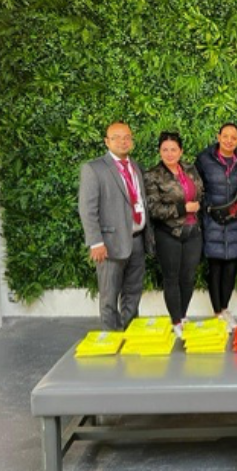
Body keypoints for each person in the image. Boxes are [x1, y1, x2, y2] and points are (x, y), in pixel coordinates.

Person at [78, 121, 152, 330]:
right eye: (116, 137)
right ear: (106, 141)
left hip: (137, 240)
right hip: (109, 244)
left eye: (127, 137)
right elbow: (87, 209)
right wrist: (95, 242)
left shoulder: (136, 166)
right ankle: (111, 337)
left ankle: (129, 333)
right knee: (109, 297)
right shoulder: (94, 169)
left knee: (133, 293)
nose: (122, 141)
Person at [144, 132, 204, 338]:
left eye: (173, 149)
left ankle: (183, 315)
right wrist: (183, 208)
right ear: (160, 151)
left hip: (193, 231)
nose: (169, 154)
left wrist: (197, 204)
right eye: (165, 150)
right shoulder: (152, 175)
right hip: (169, 233)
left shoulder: (189, 168)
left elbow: (200, 191)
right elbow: (153, 209)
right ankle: (176, 320)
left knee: (188, 277)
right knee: (171, 278)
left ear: (181, 151)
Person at [195, 123, 237, 331]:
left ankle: (225, 309)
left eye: (233, 137)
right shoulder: (204, 159)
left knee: (231, 268)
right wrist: (207, 209)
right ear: (218, 136)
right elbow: (197, 186)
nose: (229, 141)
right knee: (215, 268)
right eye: (225, 136)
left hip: (236, 222)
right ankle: (217, 313)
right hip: (213, 221)